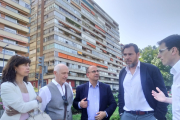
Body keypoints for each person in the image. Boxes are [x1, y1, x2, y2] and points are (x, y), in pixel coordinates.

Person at [118, 43, 168, 120]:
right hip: (127, 115)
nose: (127, 57)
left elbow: (163, 93)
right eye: (125, 54)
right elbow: (121, 94)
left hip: (149, 115)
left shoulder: (151, 69)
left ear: (138, 54)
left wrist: (158, 117)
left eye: (130, 54)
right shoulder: (122, 72)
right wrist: (121, 112)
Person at [0, 55, 42, 120]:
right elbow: (22, 108)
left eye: (28, 65)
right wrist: (38, 101)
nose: (28, 67)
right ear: (15, 67)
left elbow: (36, 108)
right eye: (25, 65)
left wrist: (18, 111)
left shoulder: (29, 85)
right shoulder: (6, 86)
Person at [152, 34, 180, 120]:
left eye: (161, 51)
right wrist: (166, 99)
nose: (158, 56)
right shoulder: (176, 73)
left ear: (173, 50)